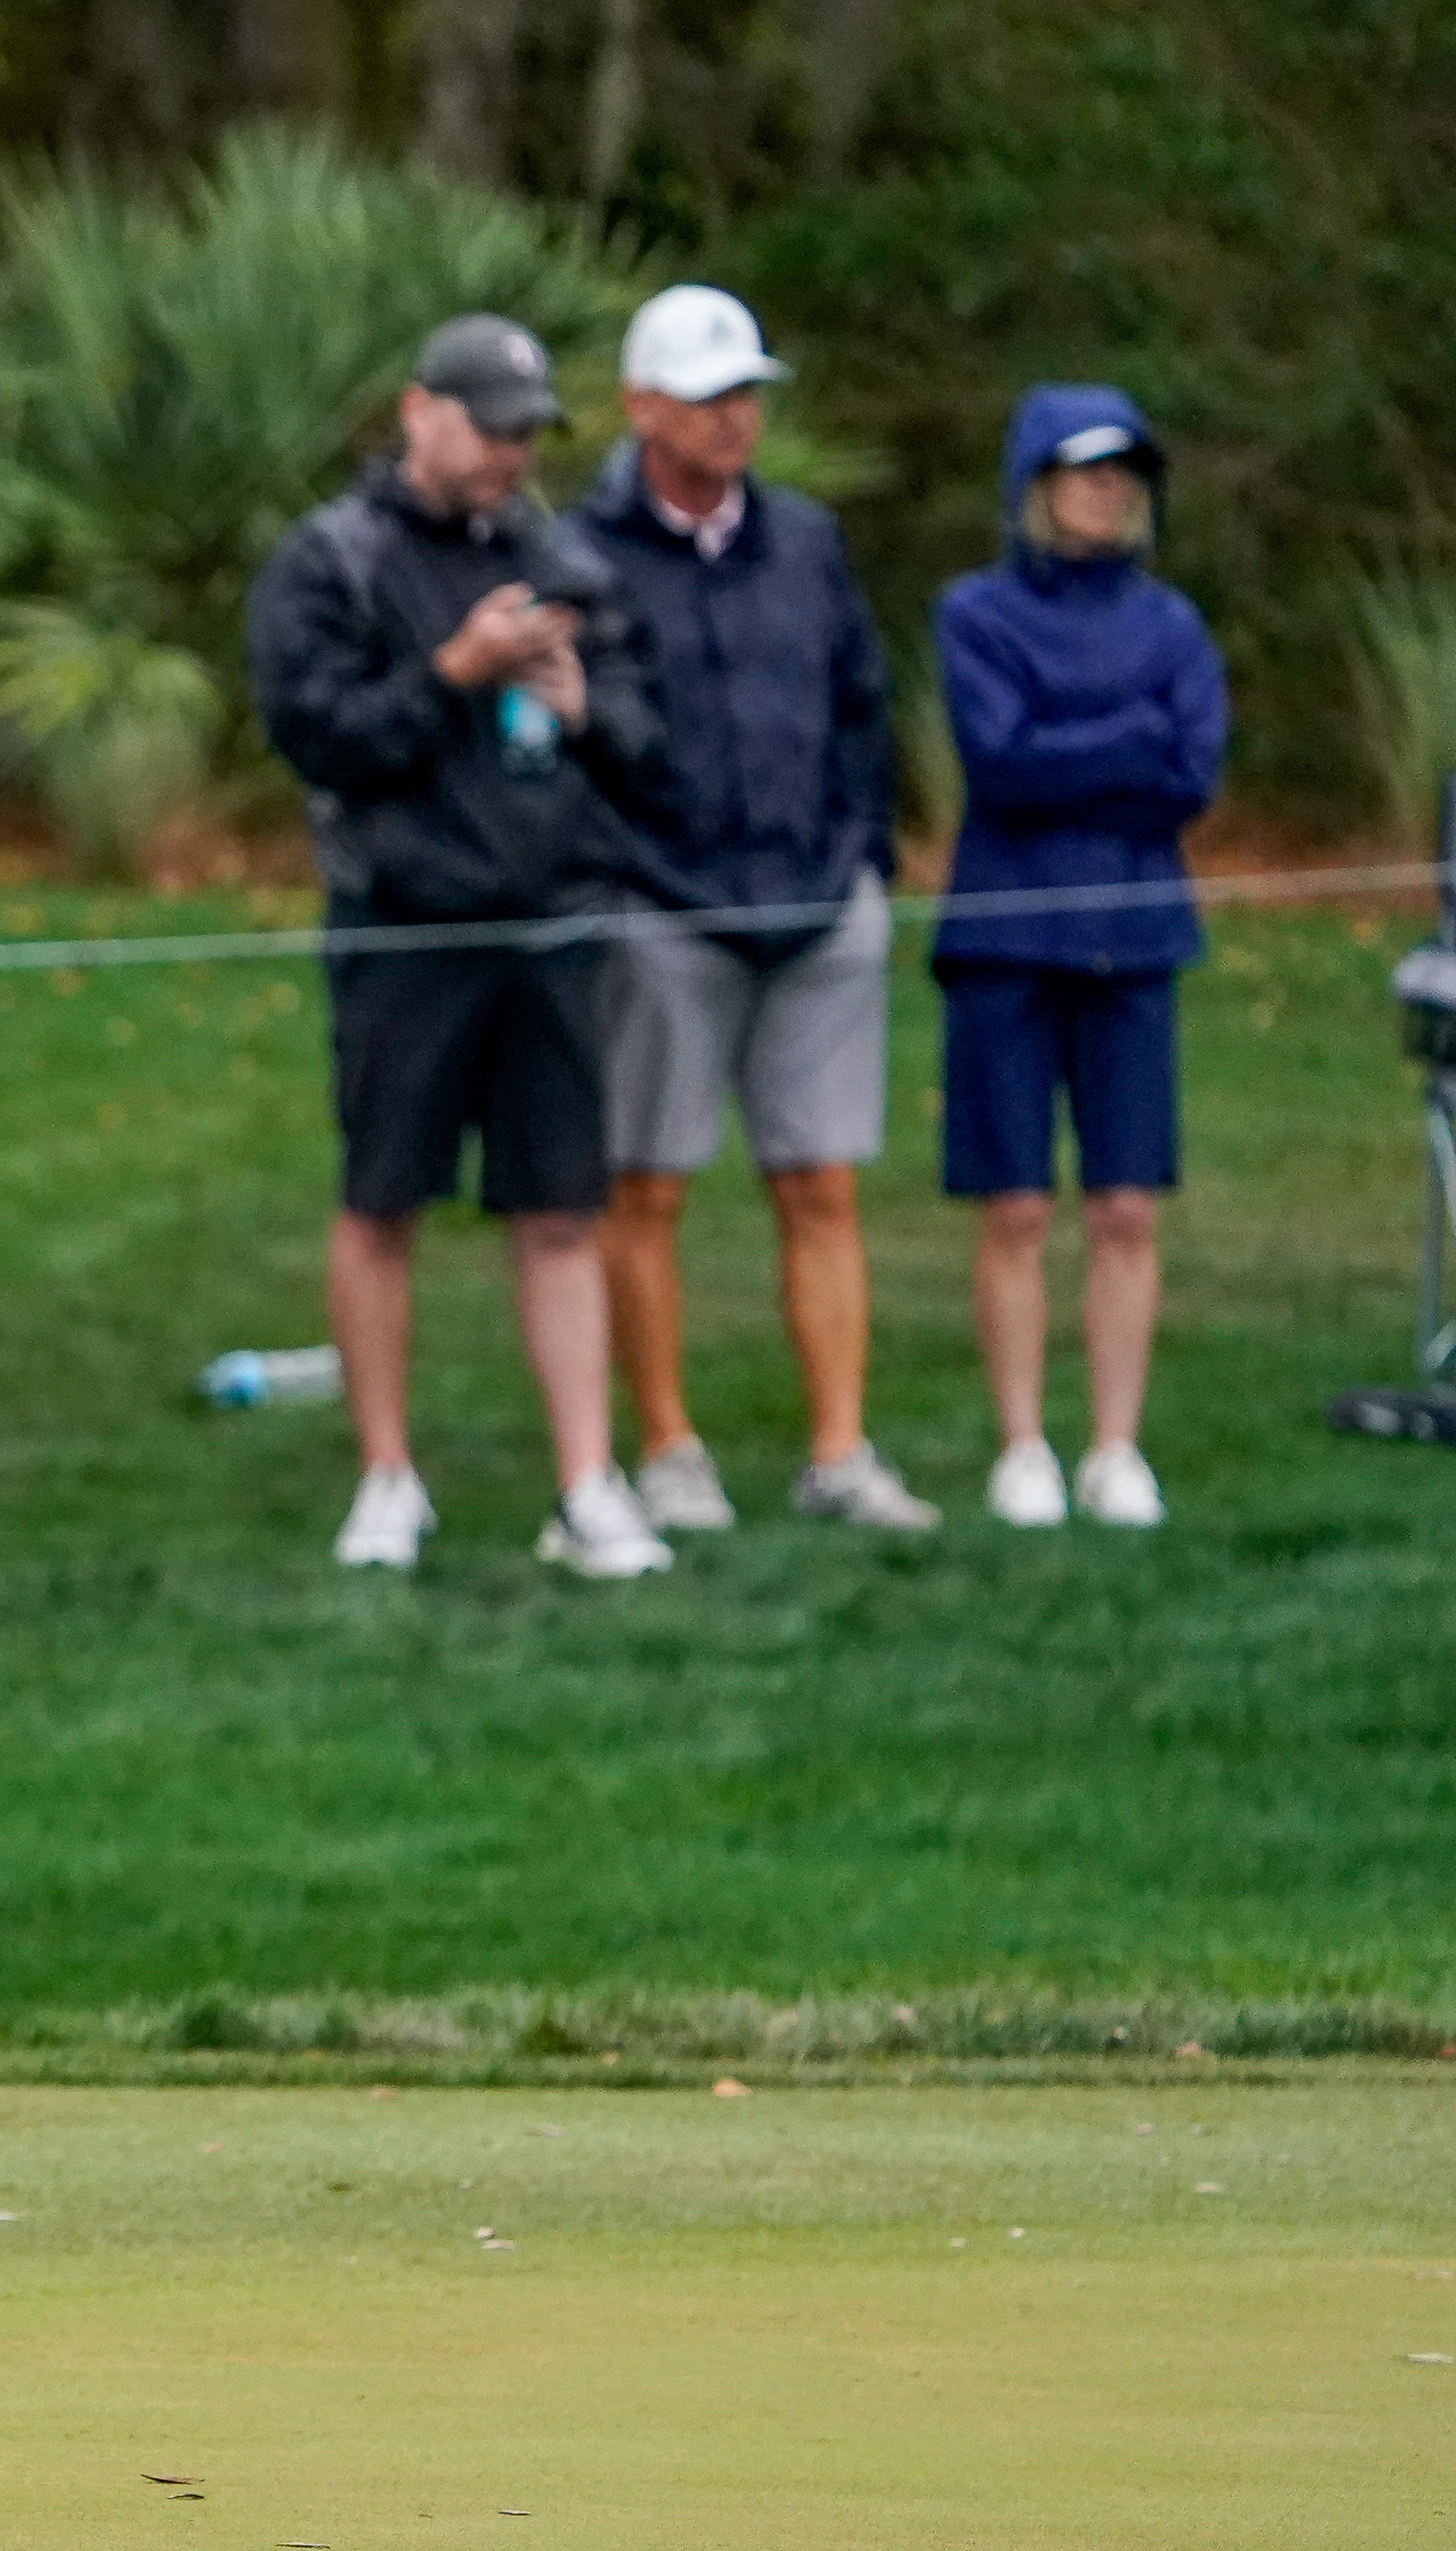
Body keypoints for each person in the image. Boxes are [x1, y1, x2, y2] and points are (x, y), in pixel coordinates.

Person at [244, 312, 676, 1581]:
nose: (508, 456)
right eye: (490, 429)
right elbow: (322, 740)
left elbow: (646, 747)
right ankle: (388, 1477)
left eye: (527, 435)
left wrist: (585, 707)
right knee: (382, 1205)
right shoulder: (332, 561)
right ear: (418, 413)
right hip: (404, 928)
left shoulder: (566, 560)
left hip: (548, 931)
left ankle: (588, 1484)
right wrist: (455, 670)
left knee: (559, 1210)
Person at [574, 285, 938, 1537]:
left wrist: (858, 860)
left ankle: (838, 1454)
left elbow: (858, 708)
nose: (736, 417)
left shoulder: (806, 538)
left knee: (819, 1184)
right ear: (640, 408)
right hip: (663, 909)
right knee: (648, 1191)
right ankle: (668, 1451)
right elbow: (585, 744)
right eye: (709, 394)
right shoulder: (583, 550)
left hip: (815, 903)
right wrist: (635, 874)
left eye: (747, 394)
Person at [932, 387, 1224, 1529]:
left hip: (1136, 934)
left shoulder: (1174, 626)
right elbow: (1000, 764)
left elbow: (1187, 774)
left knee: (1123, 1208)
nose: (1108, 490)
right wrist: (1125, 738)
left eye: (1122, 473)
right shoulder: (974, 613)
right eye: (1084, 470)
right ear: (1034, 486)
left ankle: (1112, 1446)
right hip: (1004, 935)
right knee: (1012, 1206)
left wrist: (1074, 744)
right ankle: (1021, 1447)